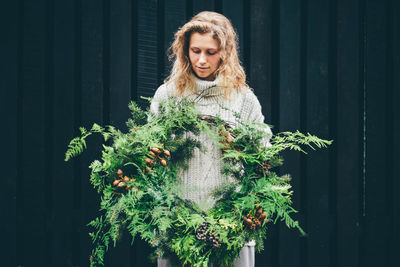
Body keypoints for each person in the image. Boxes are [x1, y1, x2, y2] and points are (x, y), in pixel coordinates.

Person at [150, 11, 272, 267]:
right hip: (178, 227)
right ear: (185, 50)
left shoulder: (243, 99)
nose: (202, 60)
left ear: (225, 53)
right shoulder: (168, 95)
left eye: (211, 52)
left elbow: (264, 159)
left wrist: (239, 145)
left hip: (231, 229)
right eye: (195, 50)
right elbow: (150, 155)